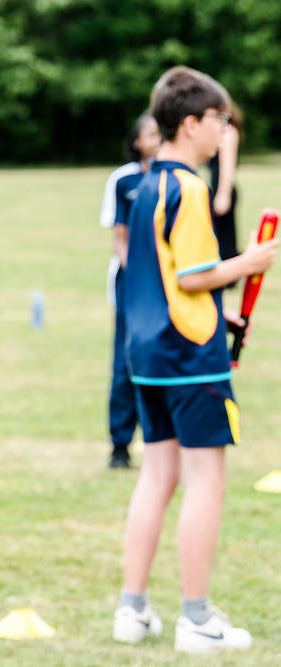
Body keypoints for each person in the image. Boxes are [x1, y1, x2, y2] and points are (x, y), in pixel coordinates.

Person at [112, 66, 278, 654]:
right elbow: (193, 273)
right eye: (219, 119)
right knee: (207, 480)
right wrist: (250, 262)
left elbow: (162, 277)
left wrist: (215, 309)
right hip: (190, 359)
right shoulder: (189, 187)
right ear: (190, 123)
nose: (224, 130)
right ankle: (197, 620)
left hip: (148, 352)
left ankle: (132, 610)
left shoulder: (145, 185)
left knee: (157, 476)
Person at [99, 113, 161, 468]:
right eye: (150, 133)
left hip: (168, 283)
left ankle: (160, 441)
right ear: (136, 141)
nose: (157, 139)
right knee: (125, 361)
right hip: (132, 282)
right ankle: (120, 444)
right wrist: (140, 274)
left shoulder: (178, 179)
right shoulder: (124, 180)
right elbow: (119, 238)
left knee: (160, 360)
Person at [208, 101, 244, 264]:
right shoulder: (219, 133)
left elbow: (228, 166)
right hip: (217, 189)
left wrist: (223, 195)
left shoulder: (228, 132)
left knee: (226, 239)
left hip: (224, 190)